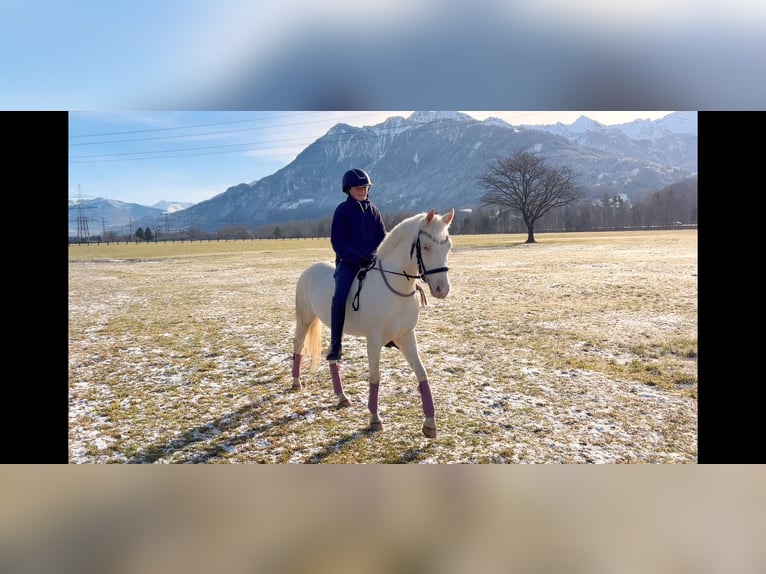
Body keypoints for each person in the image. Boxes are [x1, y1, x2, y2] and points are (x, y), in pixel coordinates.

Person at [326, 168, 387, 361]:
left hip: (372, 260)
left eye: (365, 187)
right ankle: (336, 343)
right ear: (348, 190)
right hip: (349, 262)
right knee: (340, 296)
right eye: (357, 188)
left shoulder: (374, 211)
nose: (362, 190)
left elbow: (382, 237)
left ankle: (388, 334)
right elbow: (338, 242)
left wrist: (380, 255)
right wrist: (357, 258)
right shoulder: (342, 211)